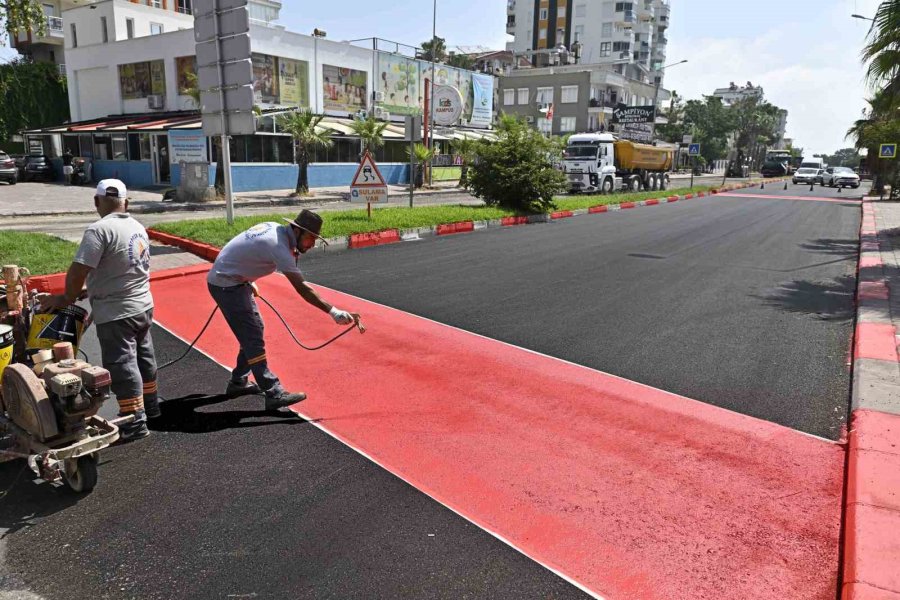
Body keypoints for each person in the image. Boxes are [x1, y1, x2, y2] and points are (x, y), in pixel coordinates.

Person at [39, 179, 158, 441]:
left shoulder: (99, 230)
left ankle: (134, 421)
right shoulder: (137, 227)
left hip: (117, 312)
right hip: (143, 306)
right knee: (144, 357)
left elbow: (79, 269)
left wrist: (66, 298)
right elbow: (122, 266)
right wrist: (91, 289)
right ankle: (151, 406)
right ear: (126, 202)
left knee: (122, 363)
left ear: (96, 201)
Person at [207, 210, 357, 411]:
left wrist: (245, 277)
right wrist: (333, 311)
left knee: (254, 331)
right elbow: (302, 288)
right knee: (253, 338)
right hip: (226, 285)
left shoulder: (275, 229)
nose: (312, 244)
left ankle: (238, 382)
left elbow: (241, 249)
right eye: (310, 238)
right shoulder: (278, 246)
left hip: (233, 280)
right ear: (297, 231)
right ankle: (274, 393)